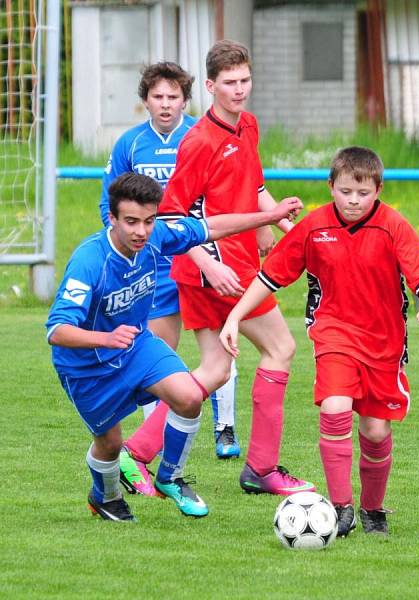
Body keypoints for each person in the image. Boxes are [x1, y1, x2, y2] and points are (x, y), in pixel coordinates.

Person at [46, 173, 302, 521]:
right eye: (131, 222)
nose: (141, 231)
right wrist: (105, 338)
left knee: (188, 395)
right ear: (112, 218)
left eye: (149, 221)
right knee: (110, 442)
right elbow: (58, 330)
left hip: (136, 348)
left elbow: (211, 227)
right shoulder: (90, 260)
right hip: (86, 365)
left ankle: (170, 476)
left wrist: (269, 216)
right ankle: (105, 498)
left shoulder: (156, 237)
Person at [219, 146, 419, 537]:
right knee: (335, 409)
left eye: (362, 193)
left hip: (384, 345)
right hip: (333, 334)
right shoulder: (314, 227)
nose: (353, 201)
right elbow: (271, 274)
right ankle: (341, 508)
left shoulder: (393, 225)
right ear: (331, 187)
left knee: (375, 432)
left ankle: (373, 509)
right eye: (344, 192)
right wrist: (235, 316)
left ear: (378, 190)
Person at [123, 39, 314, 496]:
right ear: (210, 86)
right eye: (229, 83)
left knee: (215, 369)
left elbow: (257, 188)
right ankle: (262, 469)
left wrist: (293, 232)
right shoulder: (199, 142)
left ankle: (134, 454)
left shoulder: (248, 125)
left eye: (245, 80)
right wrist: (208, 265)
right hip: (216, 270)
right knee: (281, 348)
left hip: (229, 265)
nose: (239, 90)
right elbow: (169, 218)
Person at [100, 63, 242, 495]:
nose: (166, 104)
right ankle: (143, 456)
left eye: (174, 97)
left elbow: (226, 198)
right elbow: (110, 207)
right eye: (158, 97)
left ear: (186, 100)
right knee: (158, 359)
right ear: (147, 100)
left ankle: (225, 428)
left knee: (221, 347)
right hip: (154, 273)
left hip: (203, 262)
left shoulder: (201, 137)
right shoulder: (130, 143)